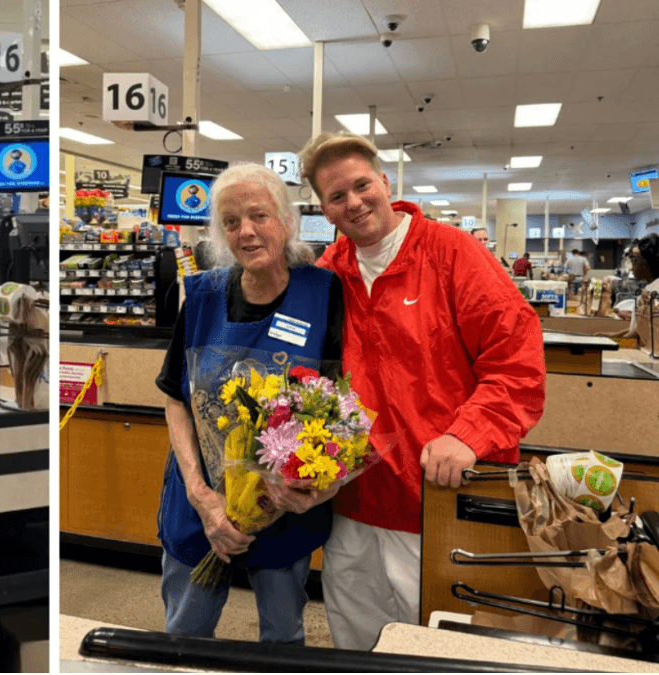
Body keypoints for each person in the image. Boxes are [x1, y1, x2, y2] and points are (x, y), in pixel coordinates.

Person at [295, 132, 546, 651]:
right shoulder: (327, 276)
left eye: (362, 185)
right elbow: (307, 375)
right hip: (355, 506)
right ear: (324, 210)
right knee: (358, 644)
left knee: (442, 647)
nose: (354, 203)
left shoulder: (455, 254)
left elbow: (517, 365)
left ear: (385, 183)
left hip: (440, 498)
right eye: (336, 197)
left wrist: (469, 434)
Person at [154, 163, 346, 644]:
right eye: (232, 221)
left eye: (259, 215)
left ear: (286, 219)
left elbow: (339, 404)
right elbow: (175, 398)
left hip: (283, 505)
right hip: (200, 501)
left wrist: (307, 486)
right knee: (184, 634)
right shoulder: (200, 296)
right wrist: (203, 499)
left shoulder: (323, 294)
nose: (247, 231)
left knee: (283, 638)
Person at [598, 234, 659, 341]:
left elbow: (649, 330)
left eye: (634, 262)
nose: (631, 269)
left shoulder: (656, 291)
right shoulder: (650, 287)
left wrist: (617, 340)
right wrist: (614, 335)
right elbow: (638, 328)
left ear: (644, 263)